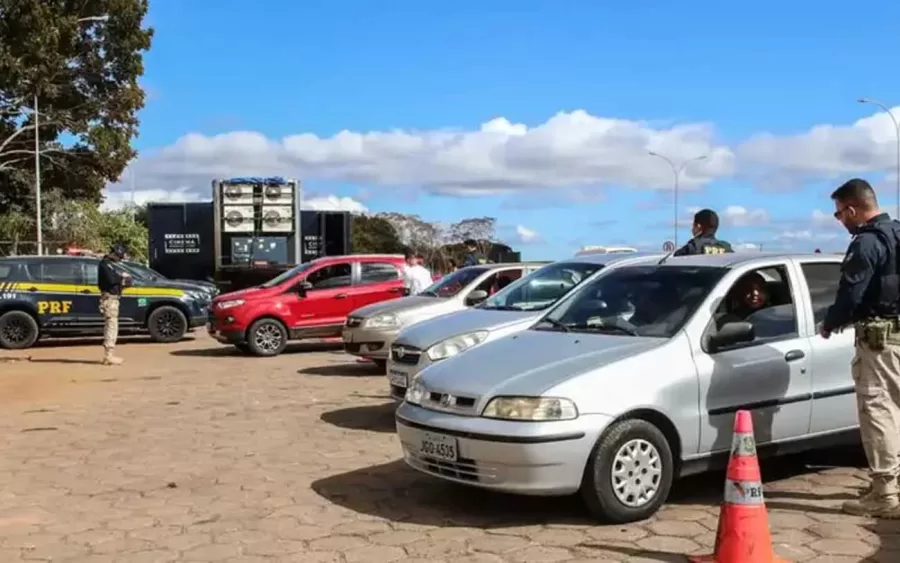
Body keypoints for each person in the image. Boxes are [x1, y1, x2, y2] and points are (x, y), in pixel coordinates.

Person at [820, 178, 900, 517]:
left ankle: (884, 493)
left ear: (852, 209)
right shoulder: (896, 232)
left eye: (839, 214)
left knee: (878, 412)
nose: (841, 221)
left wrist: (829, 323)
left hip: (878, 342)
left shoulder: (866, 243)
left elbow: (851, 293)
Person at [97, 243, 131, 365]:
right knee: (111, 326)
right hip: (109, 299)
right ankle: (108, 356)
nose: (120, 259)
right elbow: (110, 280)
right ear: (114, 254)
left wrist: (123, 282)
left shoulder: (110, 265)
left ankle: (109, 355)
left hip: (113, 298)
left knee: (112, 325)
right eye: (119, 256)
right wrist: (121, 277)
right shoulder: (105, 265)